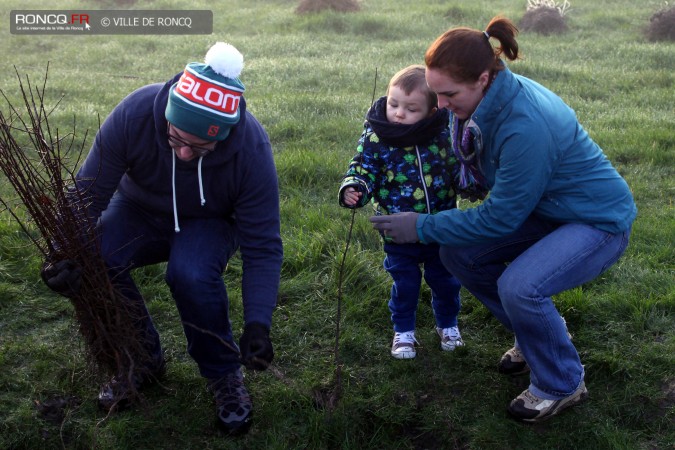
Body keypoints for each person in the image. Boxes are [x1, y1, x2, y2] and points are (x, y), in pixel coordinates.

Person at [370, 17, 637, 422]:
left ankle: (562, 382)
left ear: (481, 78)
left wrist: (421, 225)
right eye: (435, 92)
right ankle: (539, 338)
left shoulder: (524, 125)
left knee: (521, 287)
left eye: (448, 94)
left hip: (597, 221)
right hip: (549, 210)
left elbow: (500, 218)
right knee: (460, 255)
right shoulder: (489, 98)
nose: (440, 105)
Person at [40, 42, 282, 434]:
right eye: (175, 139)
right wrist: (59, 254)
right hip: (138, 209)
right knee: (97, 253)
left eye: (199, 147)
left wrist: (258, 322)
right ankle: (140, 359)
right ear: (167, 113)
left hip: (210, 220)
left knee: (190, 273)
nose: (184, 154)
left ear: (223, 136)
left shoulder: (250, 148)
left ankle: (224, 375)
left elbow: (263, 244)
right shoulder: (135, 113)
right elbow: (86, 193)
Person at [339, 64, 481, 360]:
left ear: (431, 111)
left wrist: (469, 182)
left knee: (445, 280)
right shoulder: (378, 135)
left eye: (411, 108)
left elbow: (456, 165)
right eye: (394, 104)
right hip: (396, 228)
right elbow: (364, 167)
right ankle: (403, 331)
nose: (399, 113)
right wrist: (355, 186)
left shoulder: (441, 133)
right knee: (404, 283)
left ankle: (448, 325)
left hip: (439, 225)